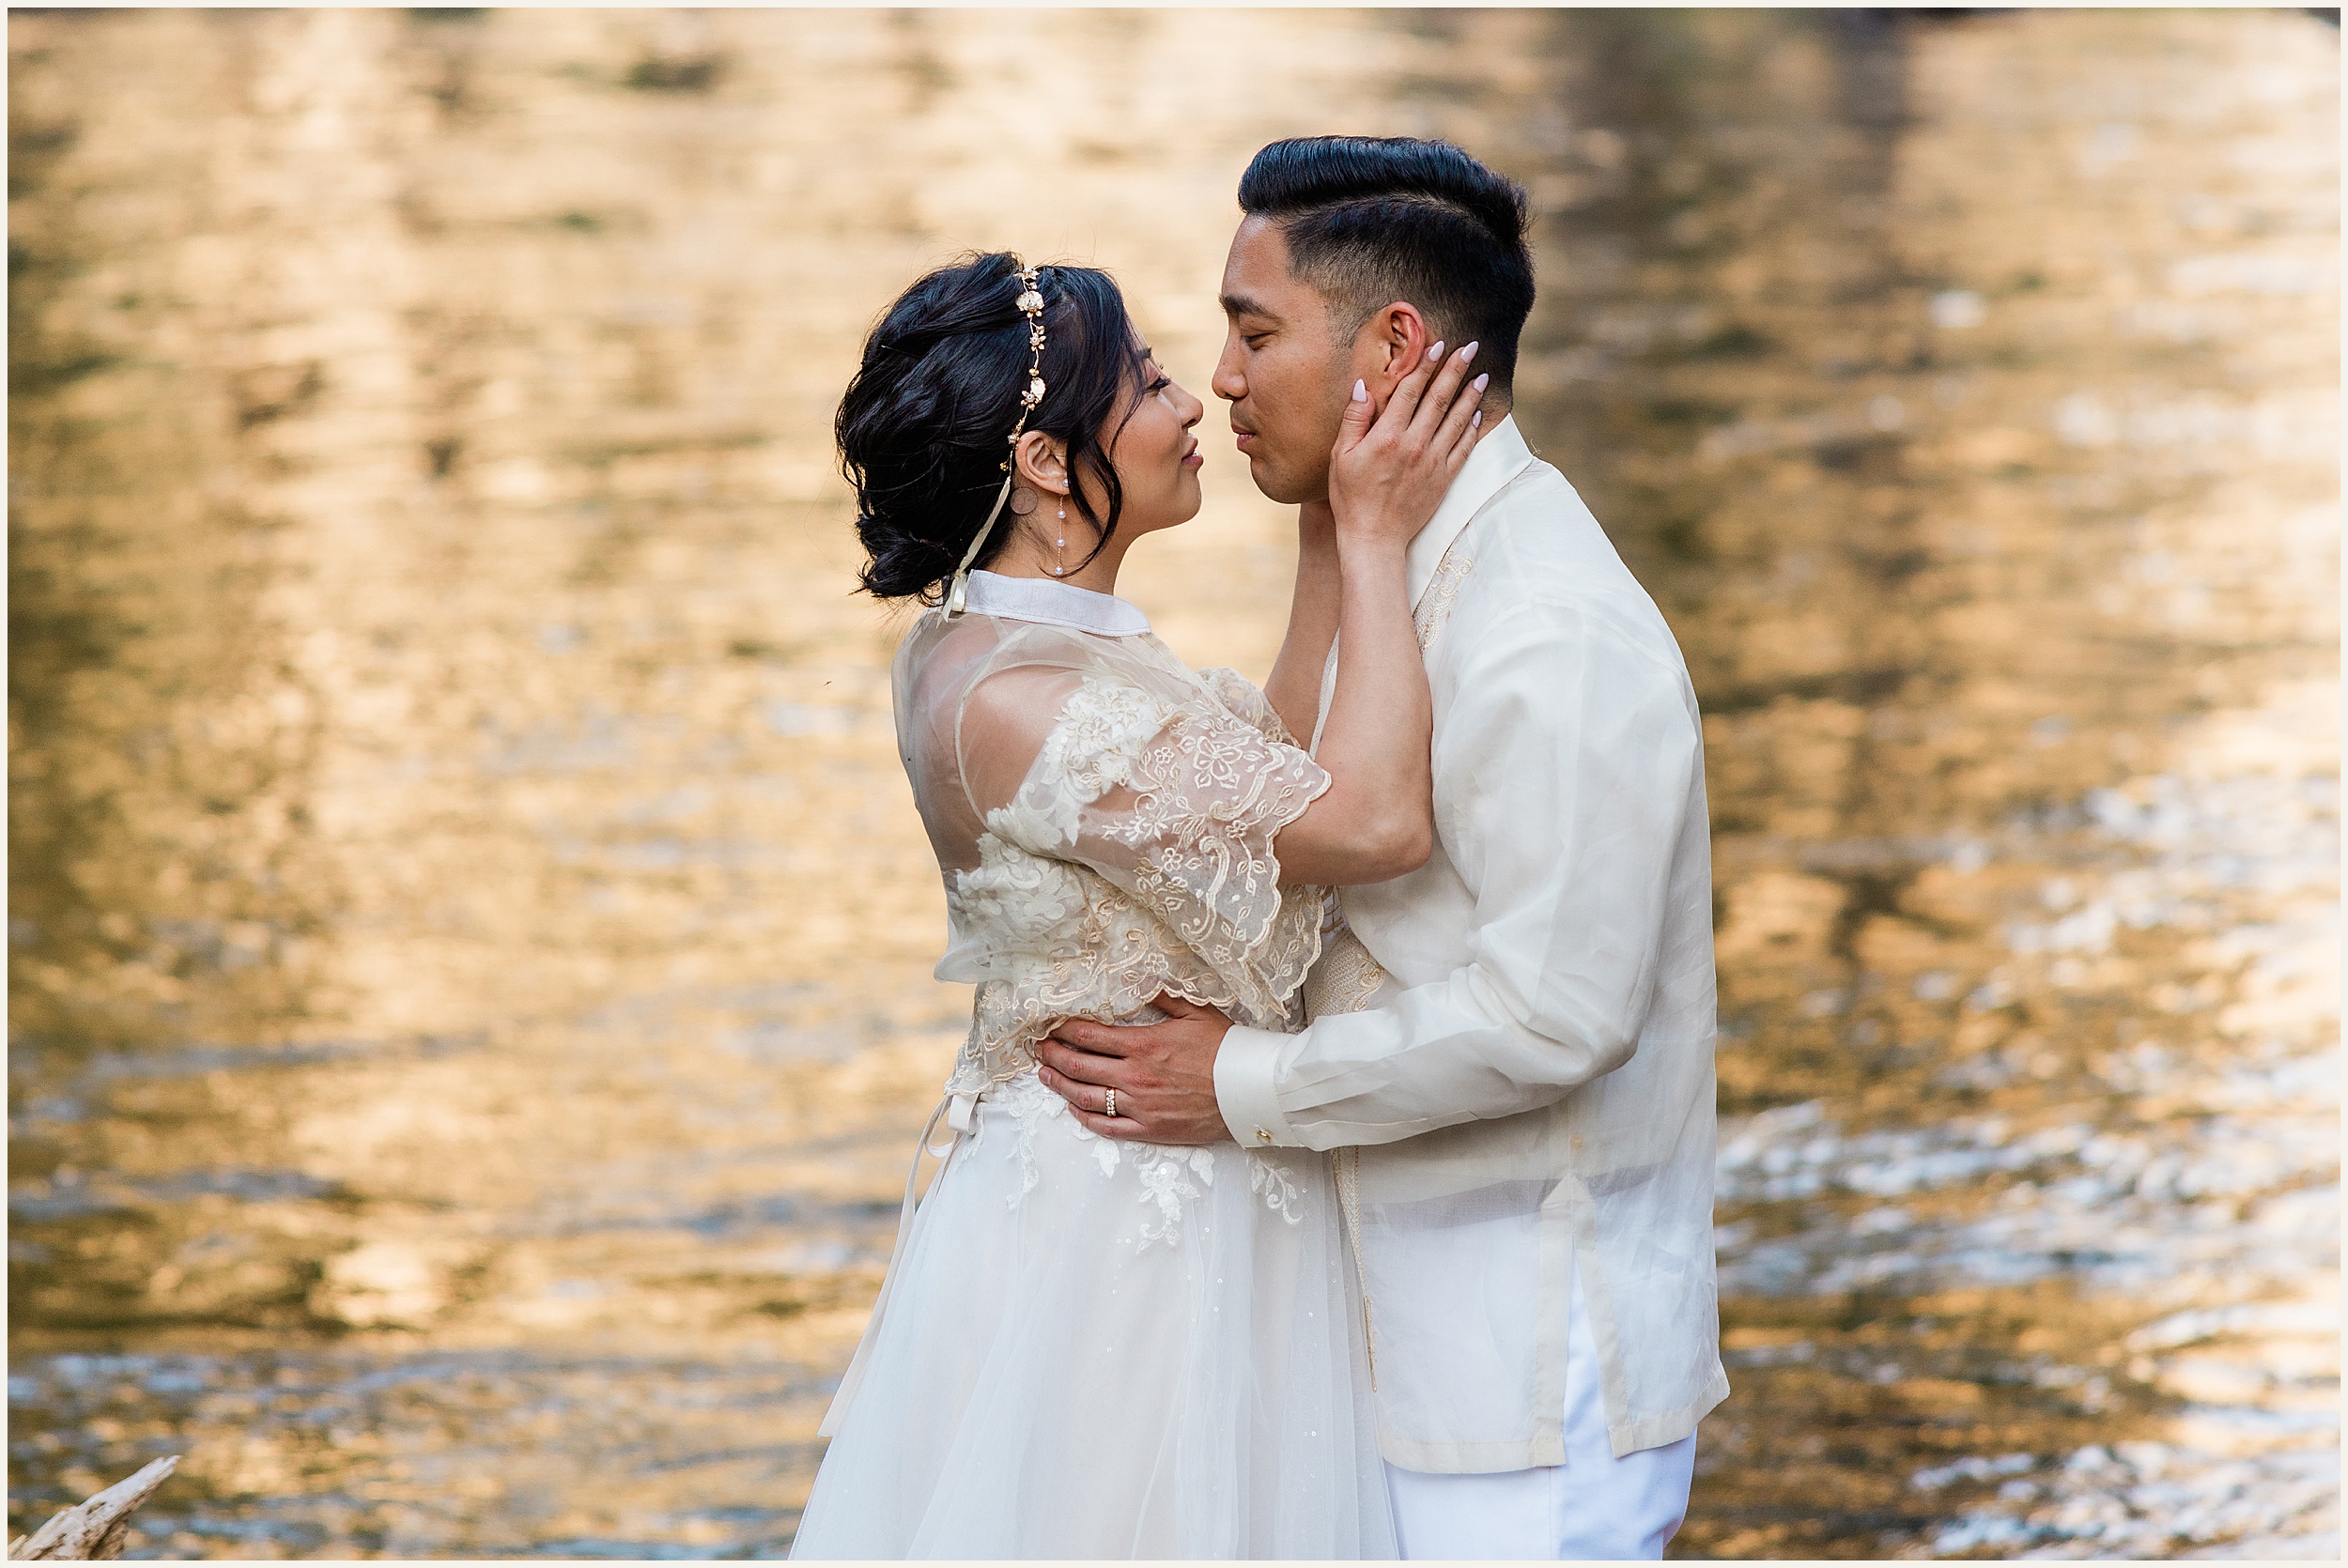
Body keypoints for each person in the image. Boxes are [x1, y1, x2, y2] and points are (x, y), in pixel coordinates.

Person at [1036, 136, 1728, 1560]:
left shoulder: (1552, 632)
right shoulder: (1397, 561)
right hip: (1384, 1356)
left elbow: (1553, 1017)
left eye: (1254, 330)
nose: (1220, 378)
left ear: (1394, 345)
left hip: (1524, 1391)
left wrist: (1237, 1081)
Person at [788, 251, 1489, 1558]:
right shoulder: (1015, 700)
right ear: (1051, 464)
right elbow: (1367, 824)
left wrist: (1330, 527)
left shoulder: (1018, 640)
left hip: (1162, 1169)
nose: (1193, 402)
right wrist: (1388, 537)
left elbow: (1256, 793)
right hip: (1118, 1228)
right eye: (1152, 381)